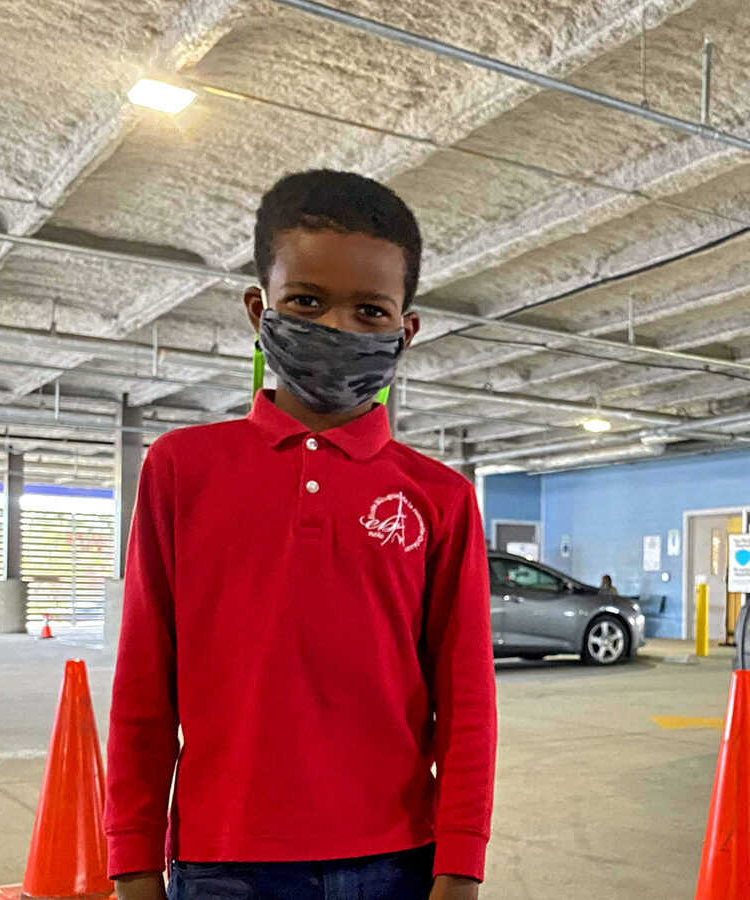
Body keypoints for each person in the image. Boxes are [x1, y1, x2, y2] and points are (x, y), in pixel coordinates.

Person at [106, 170, 496, 900]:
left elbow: (467, 701)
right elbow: (144, 686)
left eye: (370, 310)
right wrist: (131, 860)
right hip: (222, 862)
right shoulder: (181, 469)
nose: (336, 328)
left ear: (406, 331)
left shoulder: (439, 499)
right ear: (261, 308)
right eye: (307, 302)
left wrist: (461, 866)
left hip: (396, 860)